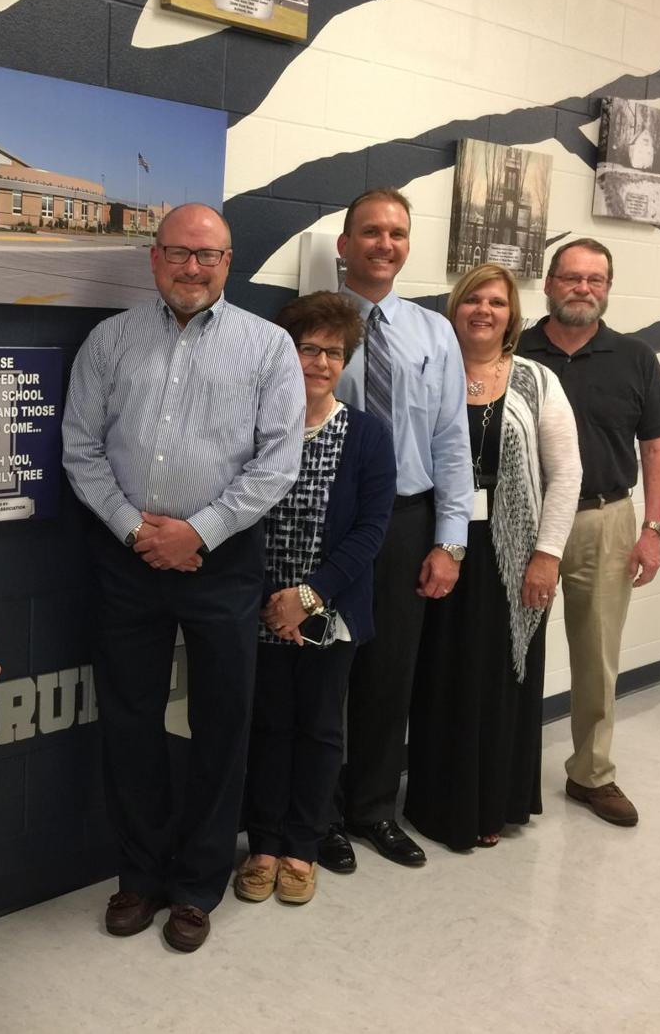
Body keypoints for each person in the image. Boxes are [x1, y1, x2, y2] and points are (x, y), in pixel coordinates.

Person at [63, 203, 305, 952]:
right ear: (154, 258)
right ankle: (140, 875)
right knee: (130, 721)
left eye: (209, 255)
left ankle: (198, 883)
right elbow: (81, 449)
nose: (193, 268)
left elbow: (277, 463)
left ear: (229, 262)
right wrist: (141, 531)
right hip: (128, 555)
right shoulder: (109, 342)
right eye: (179, 253)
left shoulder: (269, 348)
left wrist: (197, 532)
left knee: (221, 724)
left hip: (222, 560)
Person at [404, 264, 581, 850]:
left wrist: (548, 556)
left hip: (515, 554)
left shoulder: (535, 381)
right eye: (473, 299)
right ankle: (437, 802)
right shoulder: (431, 373)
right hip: (442, 547)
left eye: (497, 303)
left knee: (504, 677)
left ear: (513, 315)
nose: (484, 310)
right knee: (441, 677)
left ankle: (493, 803)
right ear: (454, 308)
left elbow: (567, 474)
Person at [323, 187, 471, 873]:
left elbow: (450, 441)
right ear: (343, 245)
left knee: (389, 676)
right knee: (323, 672)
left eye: (398, 233)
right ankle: (317, 813)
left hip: (408, 522)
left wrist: (449, 540)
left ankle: (374, 809)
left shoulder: (434, 332)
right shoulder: (313, 324)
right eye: (371, 231)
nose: (385, 243)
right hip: (329, 522)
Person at [233, 292, 395, 908]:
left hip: (330, 612)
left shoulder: (368, 435)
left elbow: (372, 530)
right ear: (285, 352)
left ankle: (302, 844)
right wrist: (273, 603)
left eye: (334, 351)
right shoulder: (257, 429)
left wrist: (308, 595)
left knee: (321, 729)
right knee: (268, 727)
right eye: (308, 348)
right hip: (255, 609)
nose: (322, 361)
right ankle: (265, 845)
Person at [518, 238, 660, 827]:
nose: (583, 289)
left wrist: (653, 529)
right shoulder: (515, 349)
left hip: (606, 521)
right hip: (522, 524)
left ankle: (592, 774)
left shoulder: (635, 358)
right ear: (549, 283)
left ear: (607, 289)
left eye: (595, 280)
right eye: (571, 278)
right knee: (507, 651)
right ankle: (503, 772)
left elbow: (656, 446)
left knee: (597, 657)